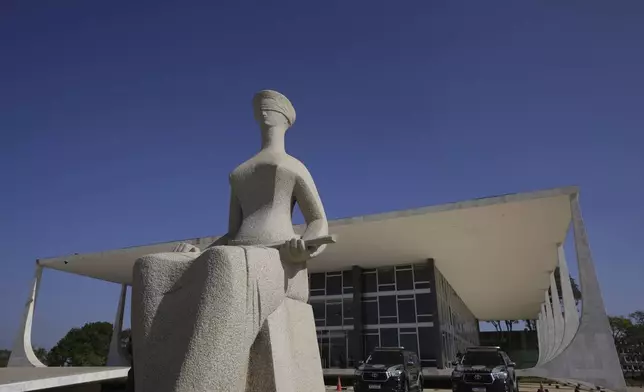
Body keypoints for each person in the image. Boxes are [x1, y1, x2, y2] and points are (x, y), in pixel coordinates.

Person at [132, 90, 330, 392]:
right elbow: (232, 232)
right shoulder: (240, 173)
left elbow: (319, 222)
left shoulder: (293, 166)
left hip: (281, 260)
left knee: (225, 262)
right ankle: (153, 382)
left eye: (270, 106)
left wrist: (304, 247)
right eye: (260, 107)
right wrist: (199, 252)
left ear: (285, 117)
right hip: (236, 252)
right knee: (151, 268)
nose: (263, 110)